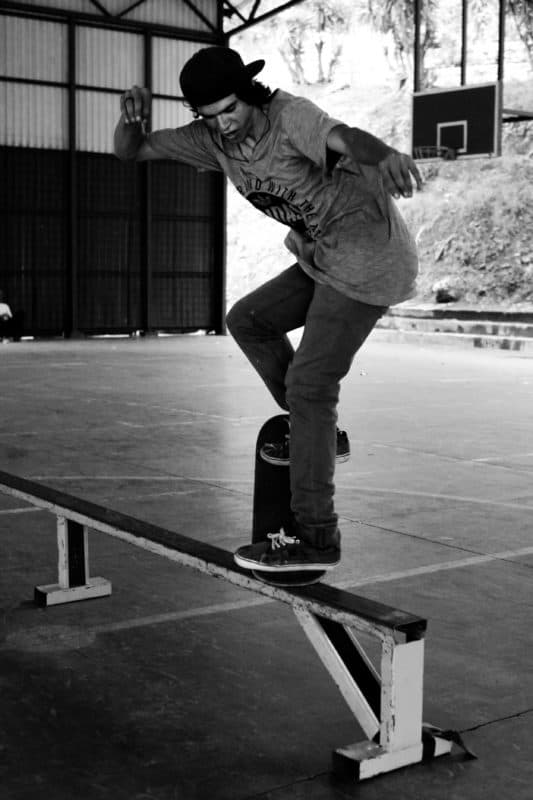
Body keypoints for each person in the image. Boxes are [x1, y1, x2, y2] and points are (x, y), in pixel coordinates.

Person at [114, 46, 422, 576]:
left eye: (229, 109)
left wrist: (385, 153)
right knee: (248, 320)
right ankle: (319, 434)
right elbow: (132, 151)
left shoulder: (289, 116)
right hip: (323, 256)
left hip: (369, 256)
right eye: (209, 116)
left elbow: (344, 137)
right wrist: (128, 121)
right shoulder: (214, 138)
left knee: (310, 385)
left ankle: (317, 536)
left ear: (248, 93)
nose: (223, 124)